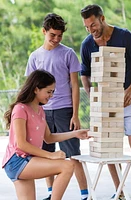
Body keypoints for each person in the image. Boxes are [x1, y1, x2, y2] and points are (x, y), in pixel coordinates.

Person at [80, 4, 131, 200]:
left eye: (92, 25)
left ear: (102, 19)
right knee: (108, 145)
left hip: (130, 100)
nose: (90, 30)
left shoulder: (124, 36)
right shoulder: (87, 44)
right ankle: (119, 192)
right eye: (86, 27)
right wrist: (90, 93)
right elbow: (84, 74)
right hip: (105, 104)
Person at [25, 13, 89, 200]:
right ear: (44, 31)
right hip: (42, 111)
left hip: (64, 109)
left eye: (59, 35)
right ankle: (51, 194)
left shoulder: (68, 53)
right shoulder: (35, 56)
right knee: (46, 155)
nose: (56, 39)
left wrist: (75, 114)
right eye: (52, 35)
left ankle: (85, 194)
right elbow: (30, 87)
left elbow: (75, 85)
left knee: (73, 154)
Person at [2, 70, 89, 200]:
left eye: (53, 92)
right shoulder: (20, 109)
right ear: (36, 89)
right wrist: (51, 155)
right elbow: (21, 144)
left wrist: (75, 133)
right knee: (67, 166)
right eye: (49, 92)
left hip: (26, 161)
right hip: (17, 161)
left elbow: (49, 138)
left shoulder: (40, 110)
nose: (51, 95)